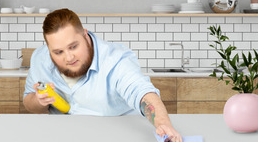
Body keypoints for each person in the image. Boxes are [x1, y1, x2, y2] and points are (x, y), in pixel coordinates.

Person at [23, 8, 182, 142]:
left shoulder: (116, 59)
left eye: (73, 46)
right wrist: (38, 101)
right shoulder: (40, 58)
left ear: (85, 35)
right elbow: (29, 101)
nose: (68, 58)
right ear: (48, 48)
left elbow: (141, 91)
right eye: (58, 52)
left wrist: (163, 123)